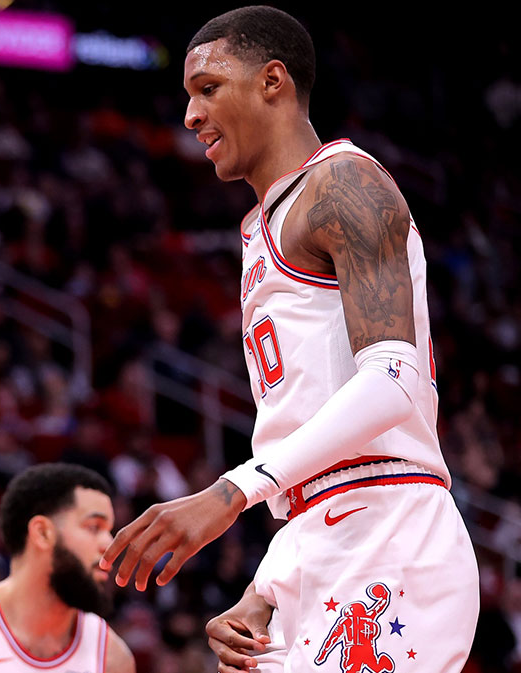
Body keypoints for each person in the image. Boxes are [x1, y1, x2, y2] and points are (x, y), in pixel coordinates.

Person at [98, 6, 479, 672]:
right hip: (317, 532)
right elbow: (303, 425)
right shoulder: (263, 226)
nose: (189, 115)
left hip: (391, 528)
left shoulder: (344, 184)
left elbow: (394, 380)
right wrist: (269, 585)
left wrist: (228, 492)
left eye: (207, 88)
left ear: (272, 81)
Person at [0, 464, 134, 673]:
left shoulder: (112, 657)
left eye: (110, 530)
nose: (109, 544)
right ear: (43, 533)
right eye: (94, 527)